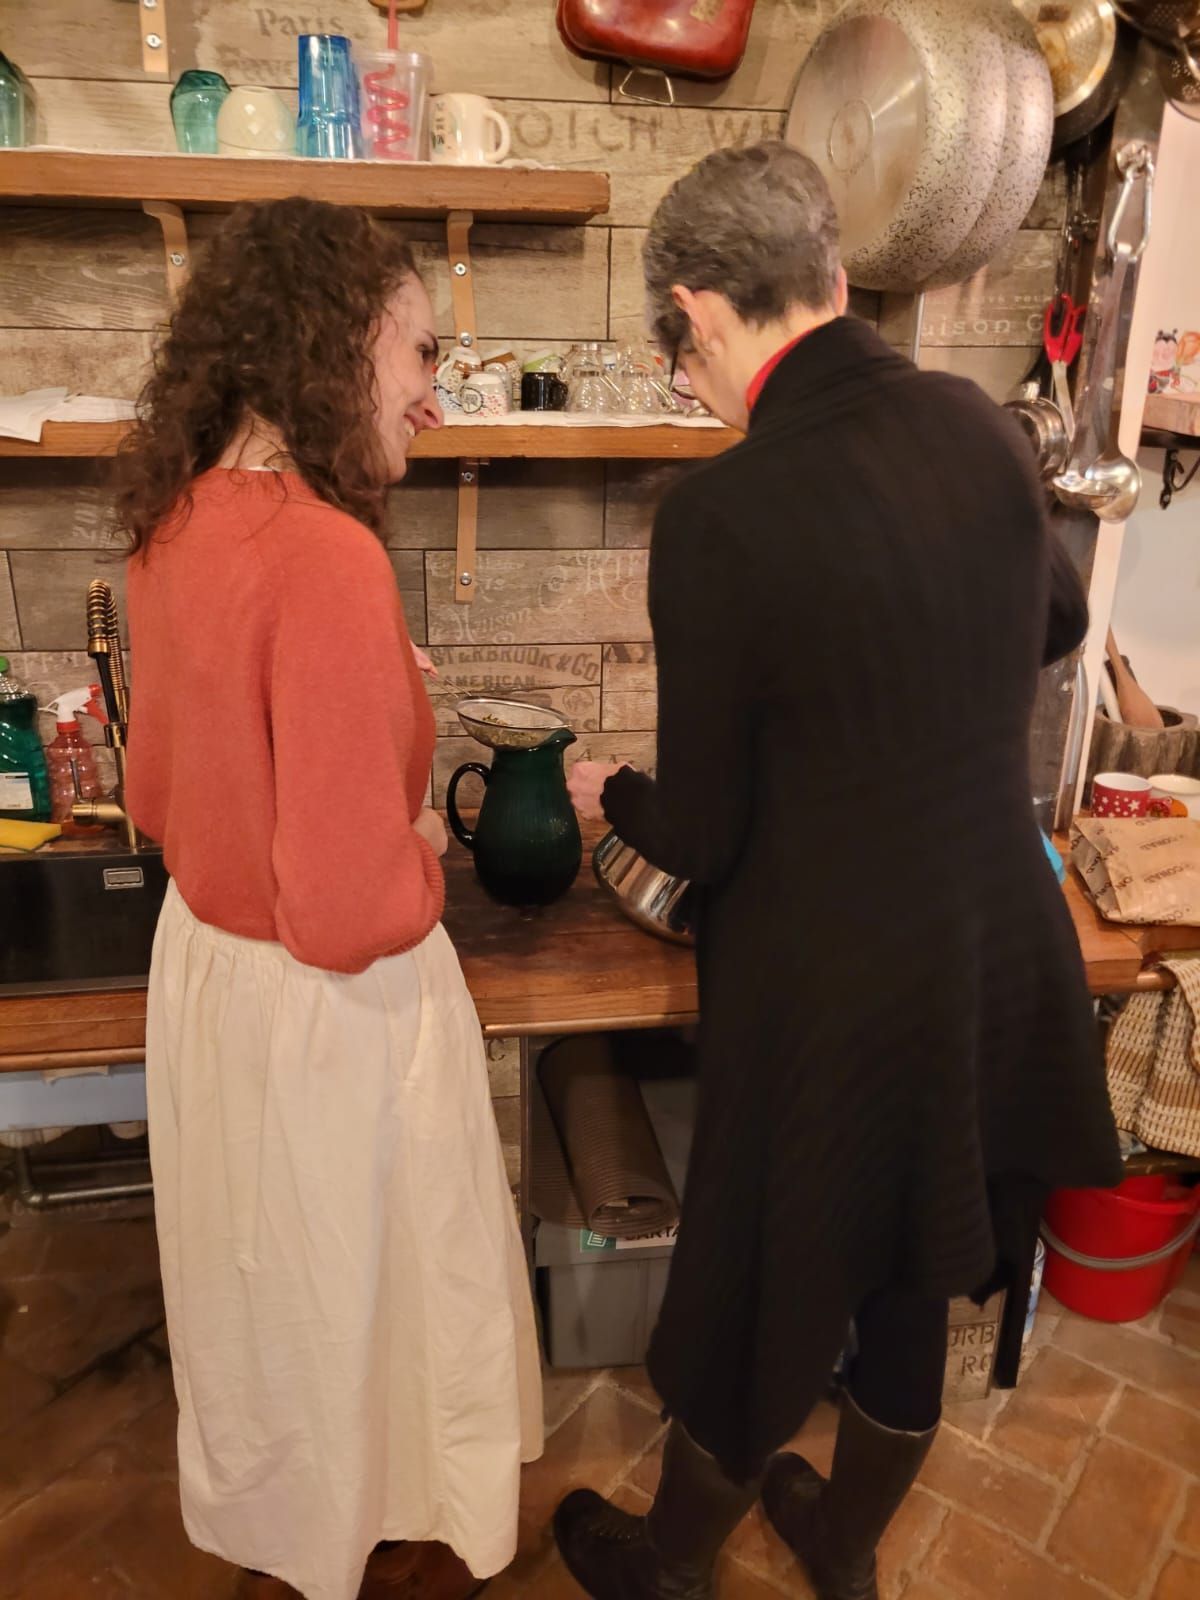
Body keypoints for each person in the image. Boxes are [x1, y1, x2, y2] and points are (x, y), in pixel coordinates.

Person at [556, 141, 1122, 1600]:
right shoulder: (978, 429)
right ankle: (843, 1545)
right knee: (915, 1270)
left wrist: (611, 791)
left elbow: (704, 837)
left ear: (699, 309)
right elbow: (1056, 623)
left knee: (757, 1300)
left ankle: (668, 1568)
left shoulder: (722, 517)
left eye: (676, 348)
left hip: (828, 994)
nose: (684, 377)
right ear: (830, 271)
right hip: (991, 950)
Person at [118, 198, 542, 1600]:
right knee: (371, 1298)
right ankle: (376, 1533)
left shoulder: (172, 525)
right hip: (329, 1015)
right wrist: (415, 835)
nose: (434, 395)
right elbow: (352, 908)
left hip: (209, 984)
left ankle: (292, 1539)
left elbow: (155, 795)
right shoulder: (324, 555)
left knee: (266, 1305)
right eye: (420, 353)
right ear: (330, 341)